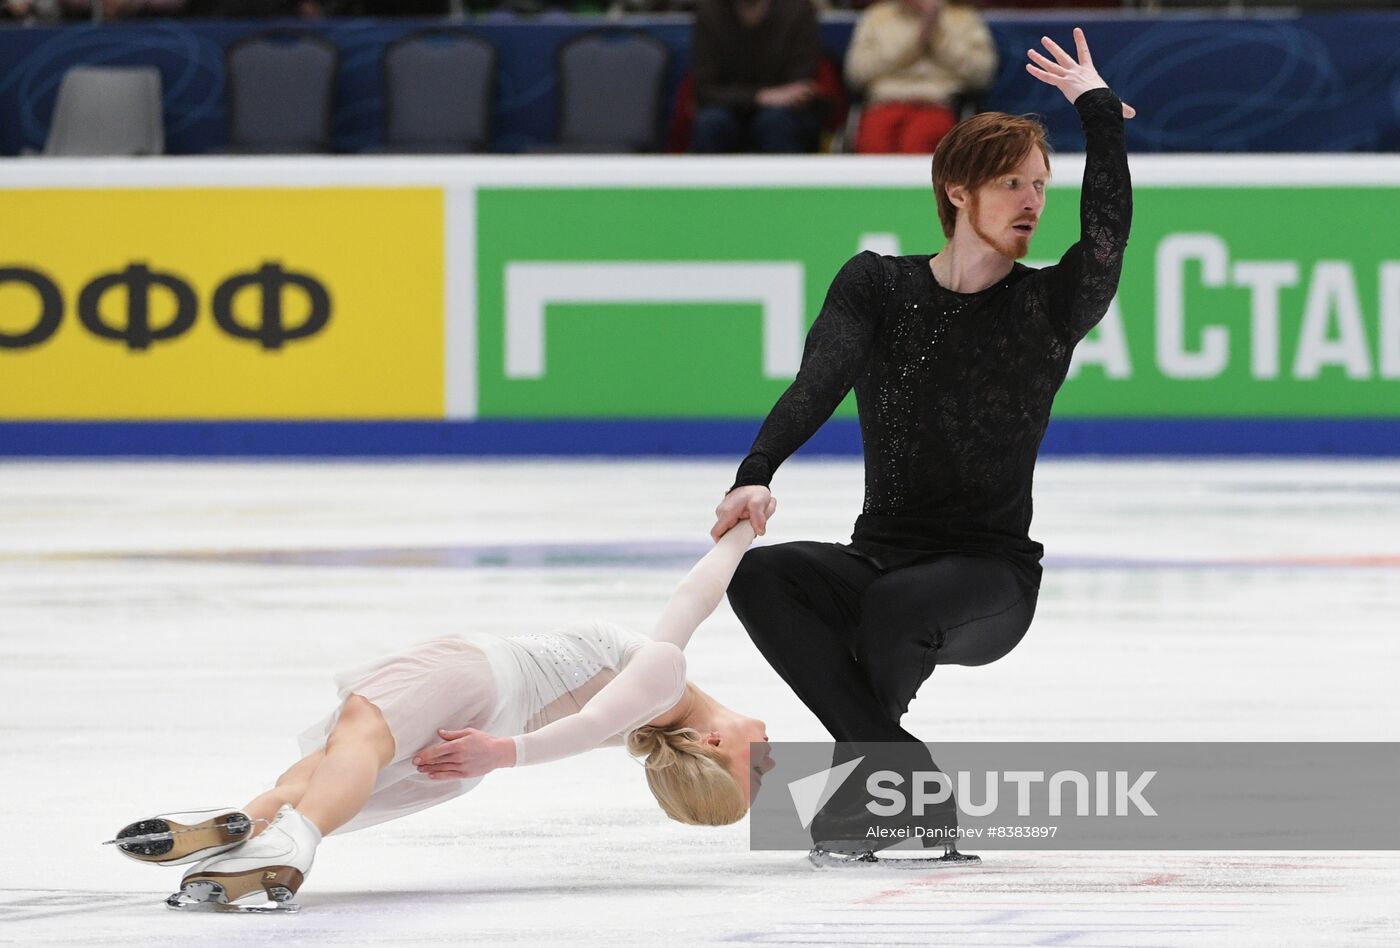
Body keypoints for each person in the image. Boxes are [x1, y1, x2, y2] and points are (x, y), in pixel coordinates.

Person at [712, 28, 1134, 864]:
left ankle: (872, 786)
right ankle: (902, 780)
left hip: (990, 578)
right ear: (956, 190)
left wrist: (1099, 119)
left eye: (1041, 186)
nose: (1031, 201)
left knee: (897, 606)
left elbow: (1109, 236)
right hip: (882, 557)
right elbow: (817, 382)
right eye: (1012, 182)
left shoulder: (1049, 307)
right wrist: (755, 473)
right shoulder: (877, 284)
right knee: (761, 573)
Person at [107, 508, 776, 911]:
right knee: (320, 772)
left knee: (356, 743)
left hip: (479, 685)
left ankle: (292, 840)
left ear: (713, 747)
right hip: (475, 744)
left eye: (760, 768)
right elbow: (605, 720)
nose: (773, 758)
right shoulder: (654, 726)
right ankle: (244, 841)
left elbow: (689, 603)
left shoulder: (664, 682)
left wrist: (741, 531)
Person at [844, 0, 997, 154]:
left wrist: (937, 37)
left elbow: (981, 74)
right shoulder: (876, 16)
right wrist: (916, 41)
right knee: (873, 143)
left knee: (918, 142)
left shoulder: (964, 18)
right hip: (884, 102)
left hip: (937, 104)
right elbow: (856, 73)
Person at [689, 0, 823, 154]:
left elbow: (800, 87)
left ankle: (786, 177)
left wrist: (782, 97)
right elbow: (705, 90)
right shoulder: (710, 12)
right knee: (711, 122)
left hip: (783, 114)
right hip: (726, 110)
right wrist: (761, 96)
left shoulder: (798, 9)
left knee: (774, 122)